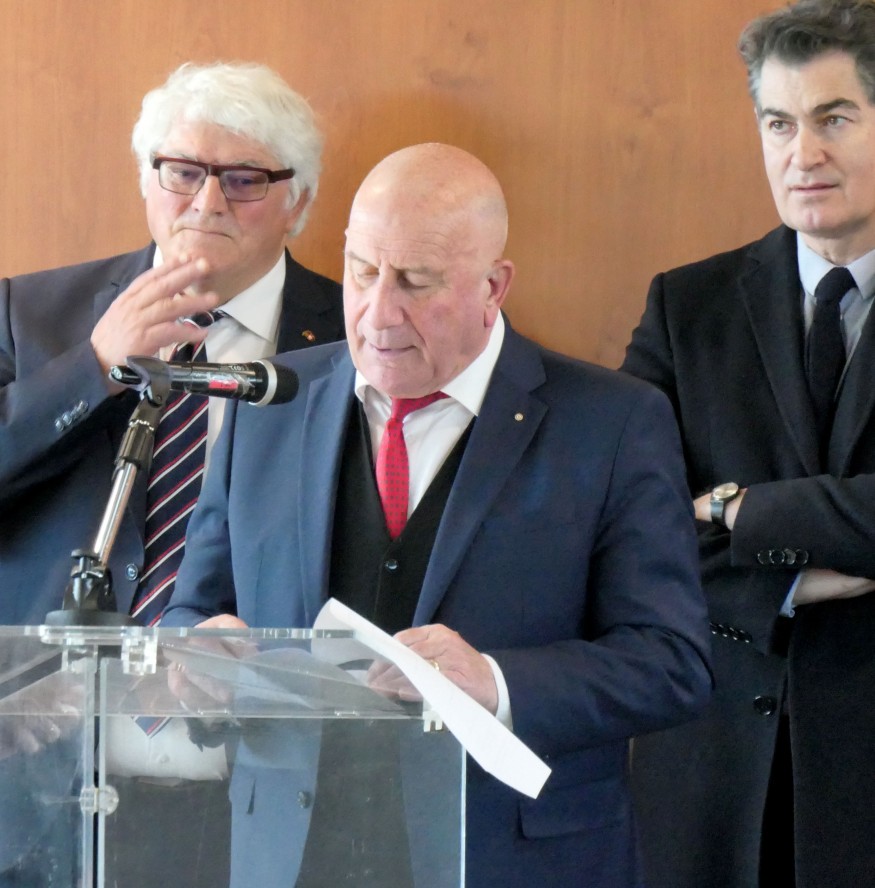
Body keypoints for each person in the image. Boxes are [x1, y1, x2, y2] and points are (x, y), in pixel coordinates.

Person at [162, 142, 713, 887]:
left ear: (494, 286)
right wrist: (199, 660)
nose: (378, 312)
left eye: (416, 282)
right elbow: (193, 610)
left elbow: (671, 663)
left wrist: (493, 681)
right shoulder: (271, 400)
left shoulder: (612, 423)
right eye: (362, 271)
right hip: (291, 856)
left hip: (512, 860)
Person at [0, 61, 344, 886]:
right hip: (46, 774)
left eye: (244, 180)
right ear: (146, 178)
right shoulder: (32, 314)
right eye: (183, 172)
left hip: (267, 787)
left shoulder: (355, 335)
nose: (207, 202)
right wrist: (92, 368)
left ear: (297, 201)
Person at [622, 2, 875, 885]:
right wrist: (787, 580)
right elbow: (625, 527)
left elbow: (683, 521)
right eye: (778, 124)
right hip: (713, 785)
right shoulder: (684, 306)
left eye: (832, 119)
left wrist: (736, 511)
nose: (801, 155)